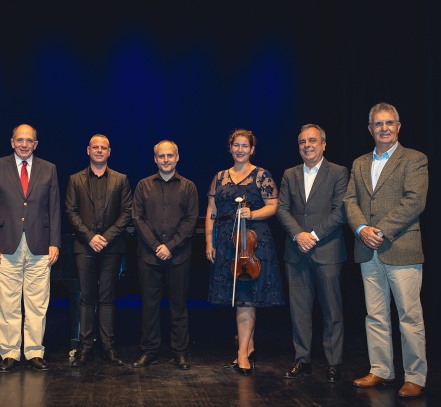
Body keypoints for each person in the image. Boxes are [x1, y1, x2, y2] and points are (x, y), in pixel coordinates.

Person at [344, 102, 428, 398]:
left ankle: (415, 376)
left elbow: (414, 201)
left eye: (389, 123)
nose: (384, 128)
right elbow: (349, 201)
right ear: (370, 129)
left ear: (398, 126)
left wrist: (380, 230)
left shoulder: (414, 159)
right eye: (378, 124)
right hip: (368, 250)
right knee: (375, 315)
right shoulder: (359, 163)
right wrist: (361, 229)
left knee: (409, 315)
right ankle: (381, 369)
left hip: (400, 247)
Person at [205, 129, 285, 375]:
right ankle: (248, 346)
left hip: (254, 242)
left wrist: (253, 213)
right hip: (228, 242)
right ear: (230, 148)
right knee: (241, 296)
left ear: (252, 149)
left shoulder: (261, 175)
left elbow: (274, 206)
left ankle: (241, 354)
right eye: (236, 145)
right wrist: (210, 241)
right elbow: (211, 210)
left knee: (246, 296)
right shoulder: (219, 177)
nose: (240, 150)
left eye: (245, 146)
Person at [0, 124, 61, 372]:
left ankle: (35, 351)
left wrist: (55, 242)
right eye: (20, 140)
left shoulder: (49, 169)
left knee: (38, 303)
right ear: (12, 142)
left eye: (29, 140)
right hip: (5, 243)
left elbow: (55, 209)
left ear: (36, 144)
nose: (24, 144)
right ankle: (9, 353)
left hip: (40, 244)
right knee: (7, 301)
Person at [276, 124, 349, 383]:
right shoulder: (289, 174)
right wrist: (299, 235)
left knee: (332, 310)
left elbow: (340, 211)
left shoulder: (339, 172)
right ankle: (302, 360)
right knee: (299, 310)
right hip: (296, 252)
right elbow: (282, 209)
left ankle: (333, 363)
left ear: (323, 145)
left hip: (327, 250)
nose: (307, 145)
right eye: (302, 142)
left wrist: (313, 236)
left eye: (312, 141)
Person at [65, 134, 132, 367]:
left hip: (112, 247)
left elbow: (126, 213)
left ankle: (108, 347)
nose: (99, 151)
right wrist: (90, 237)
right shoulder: (75, 179)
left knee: (107, 299)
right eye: (96, 147)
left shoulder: (121, 179)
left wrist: (106, 237)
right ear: (88, 150)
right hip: (84, 246)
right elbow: (71, 212)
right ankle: (85, 347)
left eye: (104, 148)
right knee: (86, 298)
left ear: (109, 152)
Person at [131, 140, 199, 370]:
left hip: (179, 256)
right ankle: (149, 351)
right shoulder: (143, 185)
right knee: (149, 306)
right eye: (162, 156)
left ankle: (180, 352)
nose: (166, 160)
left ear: (177, 157)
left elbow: (191, 221)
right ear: (155, 159)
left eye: (170, 155)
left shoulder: (189, 187)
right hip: (148, 256)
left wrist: (170, 246)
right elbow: (137, 218)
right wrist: (156, 246)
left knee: (178, 305)